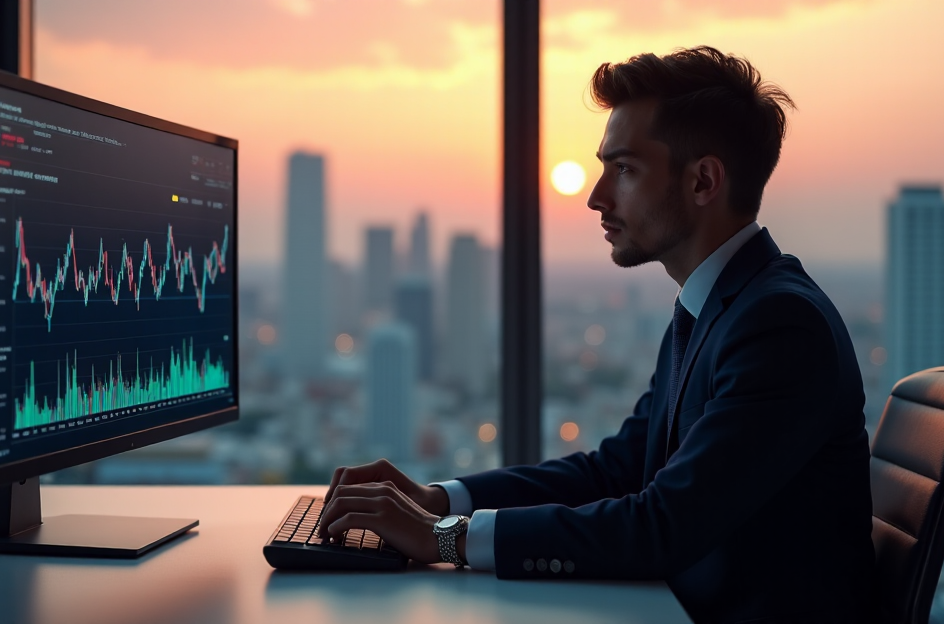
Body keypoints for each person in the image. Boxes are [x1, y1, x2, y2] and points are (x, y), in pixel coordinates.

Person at [318, 46, 873, 622]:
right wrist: (441, 499)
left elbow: (664, 525)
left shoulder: (778, 325)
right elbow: (618, 471)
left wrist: (445, 537)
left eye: (625, 169)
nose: (596, 197)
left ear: (703, 180)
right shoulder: (717, 306)